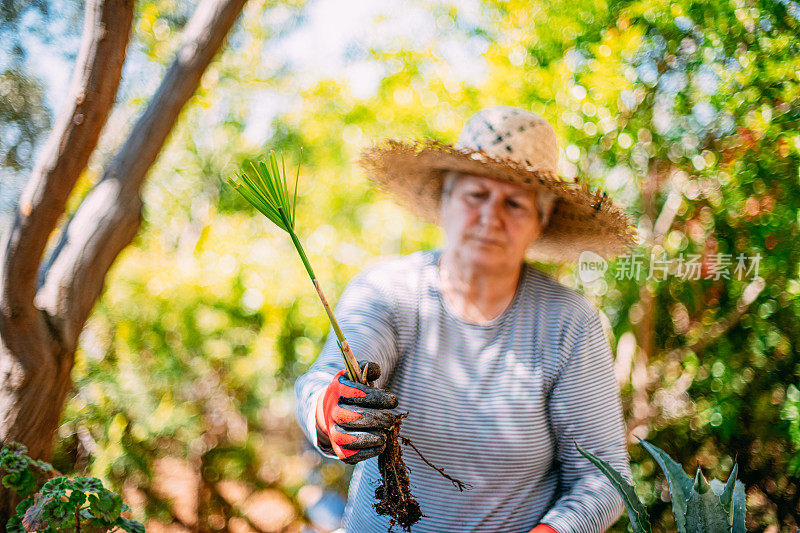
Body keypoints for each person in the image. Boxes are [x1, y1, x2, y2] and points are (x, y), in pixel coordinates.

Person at [295, 106, 636, 532]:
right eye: (476, 195)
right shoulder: (387, 292)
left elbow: (602, 478)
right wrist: (332, 413)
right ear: (445, 200)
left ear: (541, 221)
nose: (492, 217)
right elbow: (324, 381)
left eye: (514, 203)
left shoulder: (568, 324)